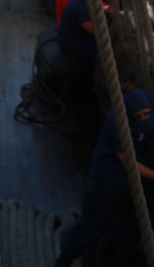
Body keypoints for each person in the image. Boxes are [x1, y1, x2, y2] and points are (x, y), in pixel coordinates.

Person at [53, 87, 154, 267]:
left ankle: (124, 257)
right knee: (95, 220)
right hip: (109, 177)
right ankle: (65, 259)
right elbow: (128, 162)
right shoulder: (117, 125)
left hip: (134, 179)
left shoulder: (148, 103)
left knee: (128, 219)